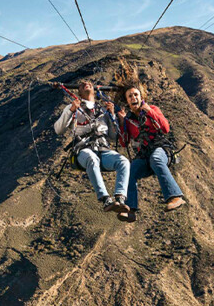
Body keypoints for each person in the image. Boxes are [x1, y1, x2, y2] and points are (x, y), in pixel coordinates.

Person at [54, 80, 130, 214]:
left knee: (123, 161)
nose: (85, 83)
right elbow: (58, 129)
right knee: (91, 158)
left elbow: (114, 136)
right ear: (78, 92)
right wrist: (71, 111)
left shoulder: (103, 110)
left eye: (88, 83)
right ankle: (105, 198)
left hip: (103, 150)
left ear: (94, 90)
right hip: (83, 150)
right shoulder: (73, 108)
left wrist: (112, 115)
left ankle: (120, 198)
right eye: (82, 84)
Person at [117, 84, 185, 219]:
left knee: (156, 159)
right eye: (130, 96)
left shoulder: (153, 109)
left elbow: (165, 128)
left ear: (141, 97)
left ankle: (175, 197)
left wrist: (149, 111)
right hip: (144, 155)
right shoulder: (128, 120)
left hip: (161, 149)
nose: (133, 98)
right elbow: (124, 142)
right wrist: (121, 122)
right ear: (127, 101)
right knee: (128, 171)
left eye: (136, 94)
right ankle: (130, 209)